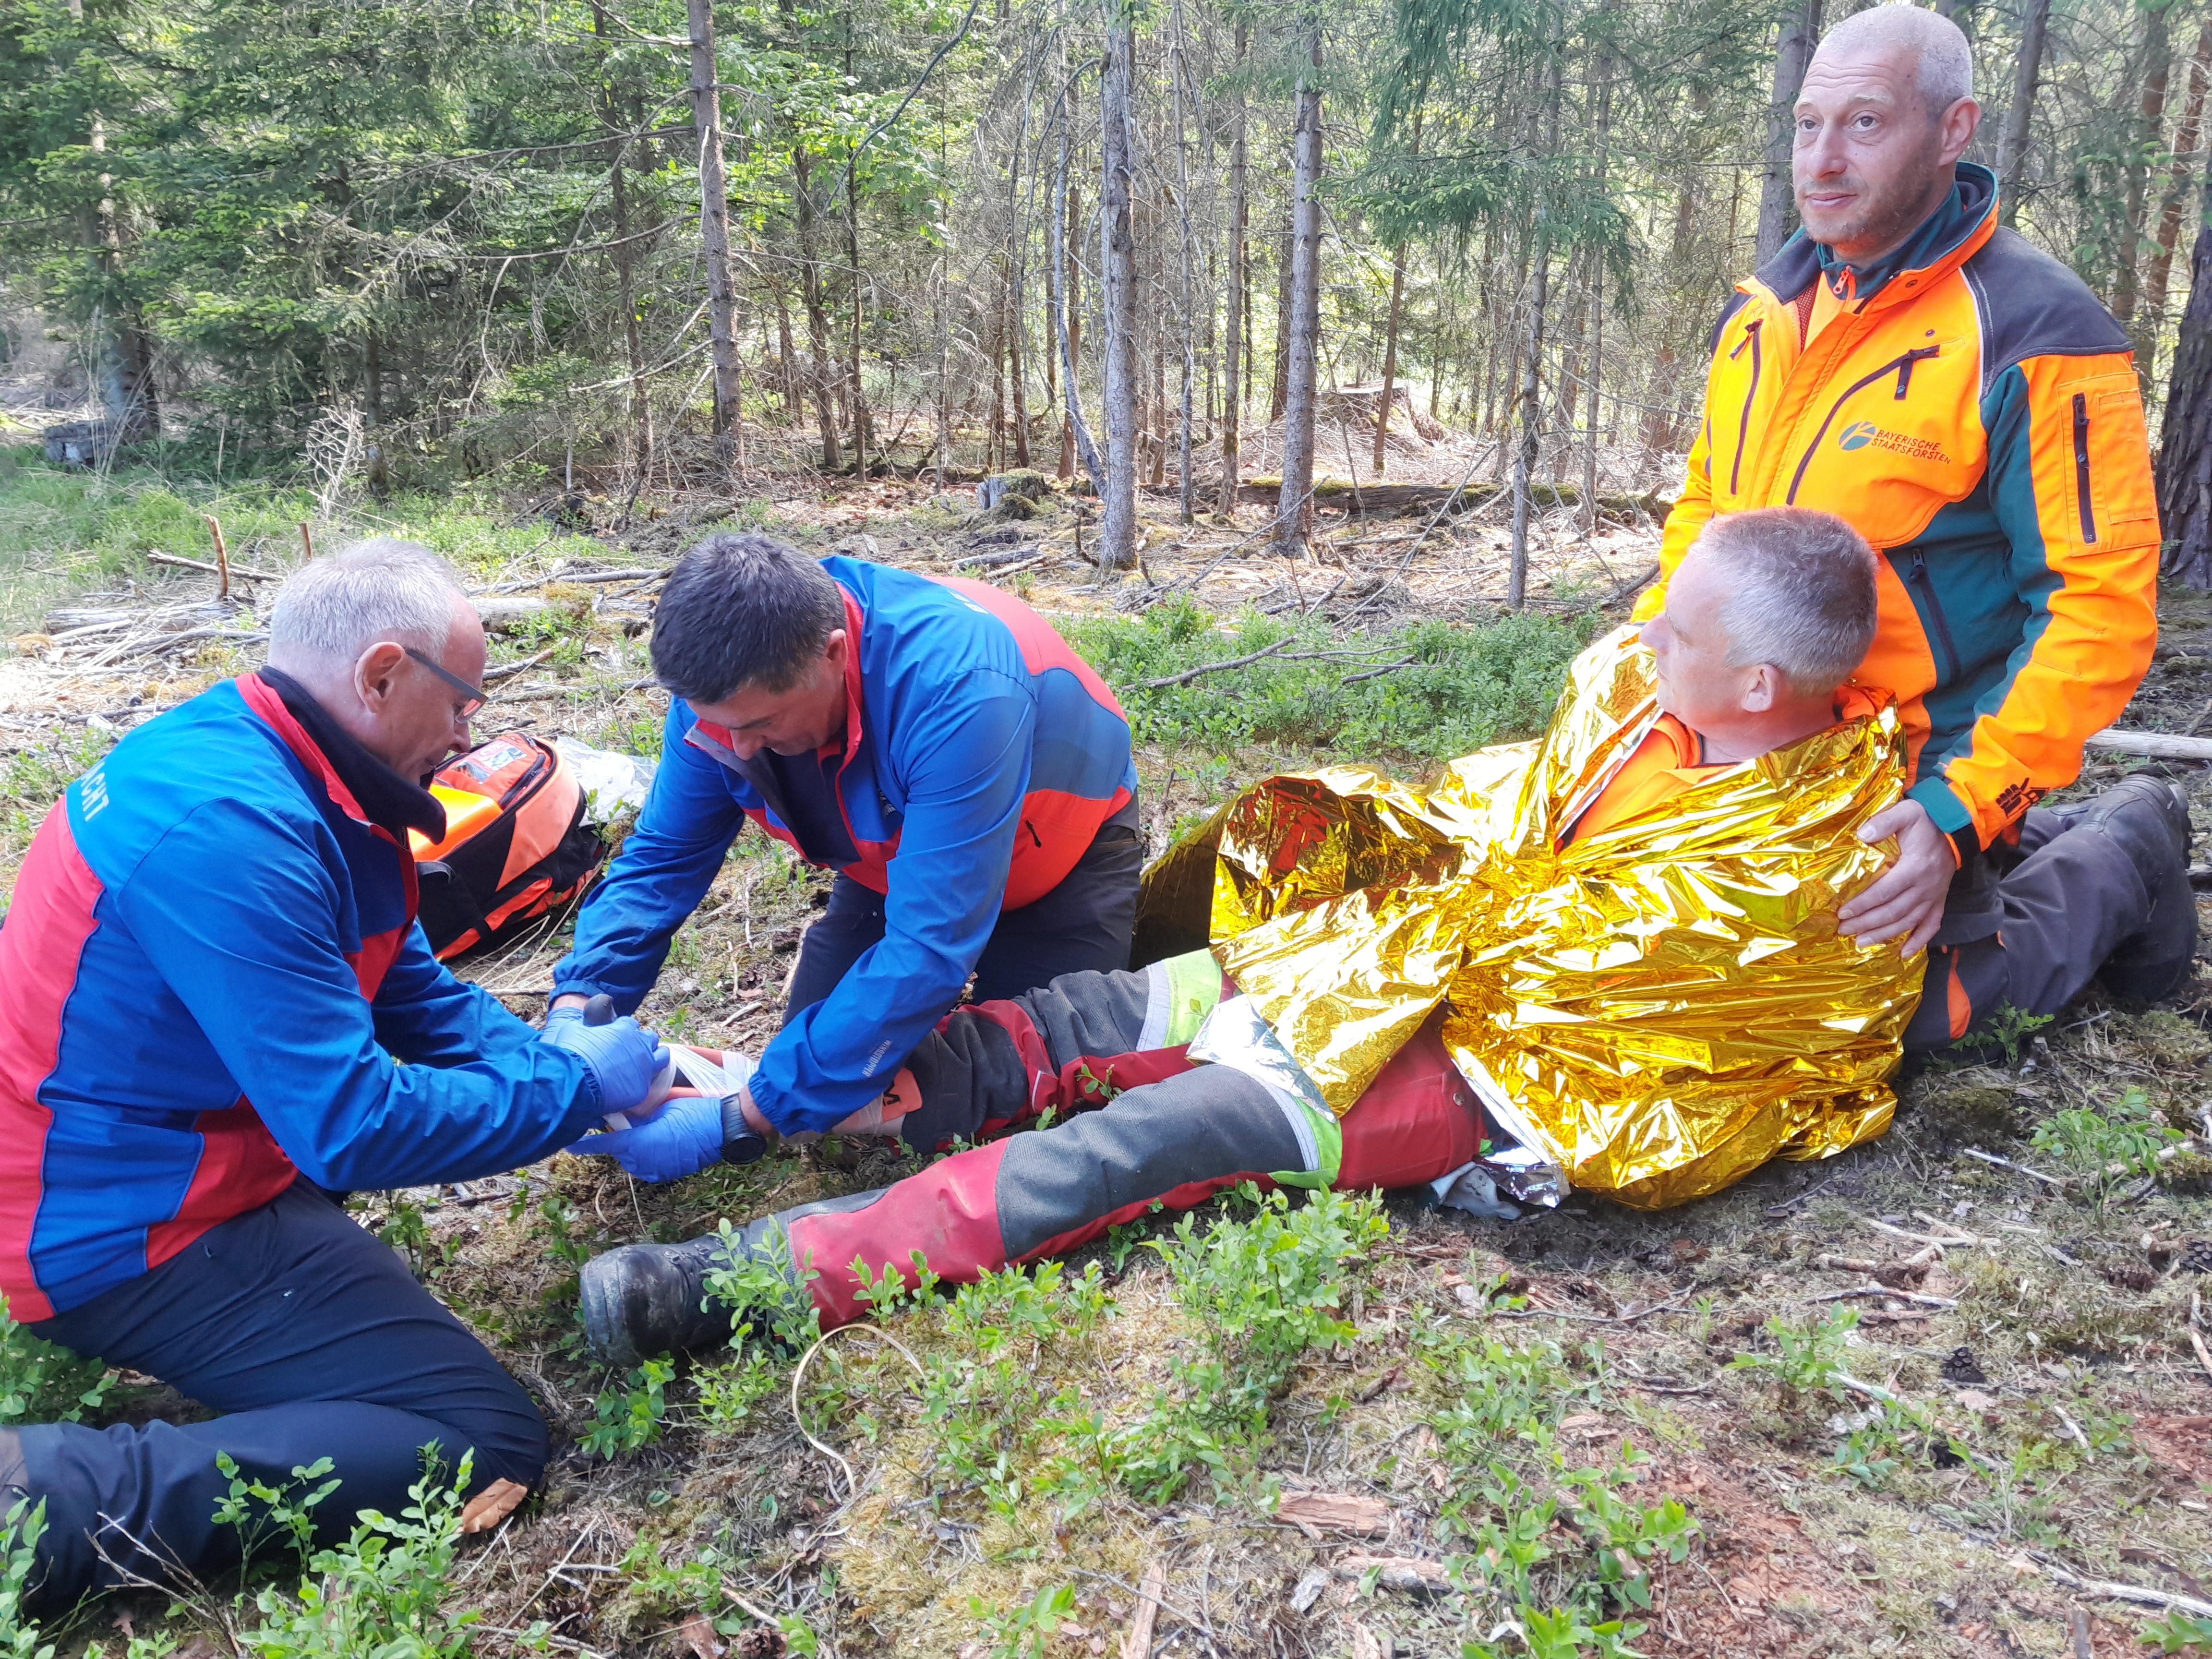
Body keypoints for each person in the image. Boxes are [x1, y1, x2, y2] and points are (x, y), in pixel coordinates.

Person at [577, 510, 1909, 1360]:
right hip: (1382, 958)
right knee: (1084, 1024)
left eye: (1678, 623)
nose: (1643, 629)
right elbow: (1505, 823)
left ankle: (744, 1284)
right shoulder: (1646, 702)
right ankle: (791, 1107)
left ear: (1755, 683)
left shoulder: (1822, 863)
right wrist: (601, 1017)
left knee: (1140, 1144)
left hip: (1489, 1063)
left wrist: (761, 1117)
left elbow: (1651, 994)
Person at [0, 540, 668, 1603]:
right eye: (463, 702)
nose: (468, 733)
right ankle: (42, 1502)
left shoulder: (298, 772)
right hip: (122, 1228)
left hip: (189, 1166)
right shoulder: (230, 831)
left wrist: (551, 1068)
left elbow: (407, 985)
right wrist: (577, 1092)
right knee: (477, 1440)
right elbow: (351, 1124)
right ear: (381, 674)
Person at [1646, 4, 2194, 1051]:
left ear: (1954, 130)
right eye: (1809, 126)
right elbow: (1707, 514)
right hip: (1749, 735)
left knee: (1881, 1025)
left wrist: (1958, 808)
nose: (1823, 159)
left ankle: (2127, 851)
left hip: (1918, 761)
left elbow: (2101, 611)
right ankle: (2029, 836)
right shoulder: (1765, 309)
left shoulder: (2041, 336)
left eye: (1864, 124)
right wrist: (1661, 658)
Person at [549, 533, 1141, 1176]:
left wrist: (739, 1119)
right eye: (719, 724)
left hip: (1060, 859)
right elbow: (662, 861)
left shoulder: (959, 688)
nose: (737, 748)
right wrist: (580, 1005)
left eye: (757, 726)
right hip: (893, 860)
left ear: (833, 654)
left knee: (1015, 1097)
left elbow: (929, 945)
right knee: (824, 1092)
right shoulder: (725, 697)